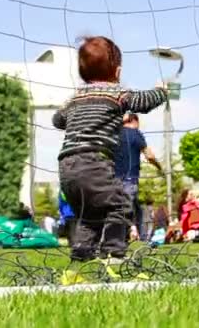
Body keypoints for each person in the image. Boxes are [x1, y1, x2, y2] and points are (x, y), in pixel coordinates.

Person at [53, 36, 168, 262]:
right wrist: (161, 92)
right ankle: (114, 255)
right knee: (121, 204)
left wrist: (68, 105)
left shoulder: (77, 97)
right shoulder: (116, 93)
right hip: (93, 161)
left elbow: (58, 120)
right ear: (117, 72)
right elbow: (142, 102)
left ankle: (80, 262)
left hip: (66, 169)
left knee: (90, 216)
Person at [114, 113, 162, 242]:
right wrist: (159, 167)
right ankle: (122, 241)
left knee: (135, 210)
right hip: (129, 179)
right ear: (135, 121)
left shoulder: (115, 134)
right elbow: (150, 156)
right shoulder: (135, 133)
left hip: (113, 180)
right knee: (126, 211)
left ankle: (142, 239)